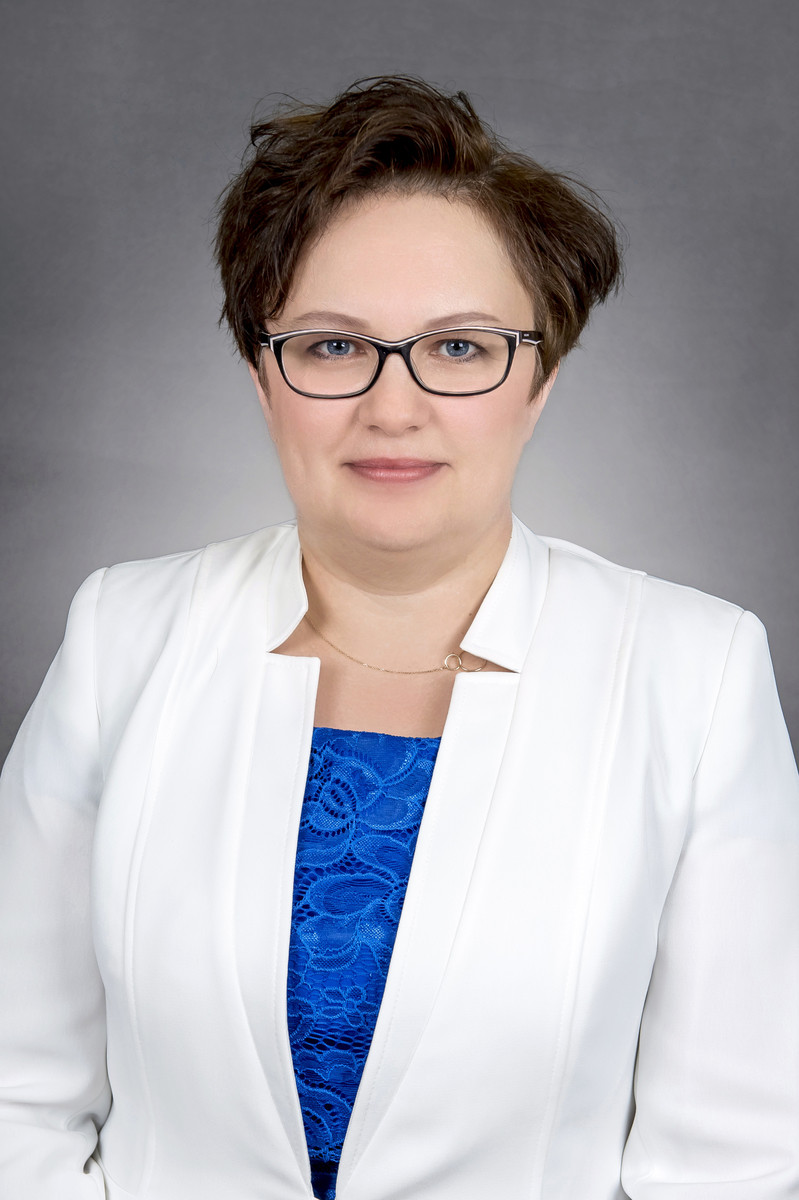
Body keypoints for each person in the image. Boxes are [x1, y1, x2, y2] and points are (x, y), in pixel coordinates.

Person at [0, 75, 797, 1200]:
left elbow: (734, 1165)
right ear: (262, 375)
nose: (392, 406)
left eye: (460, 348)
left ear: (539, 380)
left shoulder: (694, 676)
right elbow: (15, 1096)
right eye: (333, 347)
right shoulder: (120, 638)